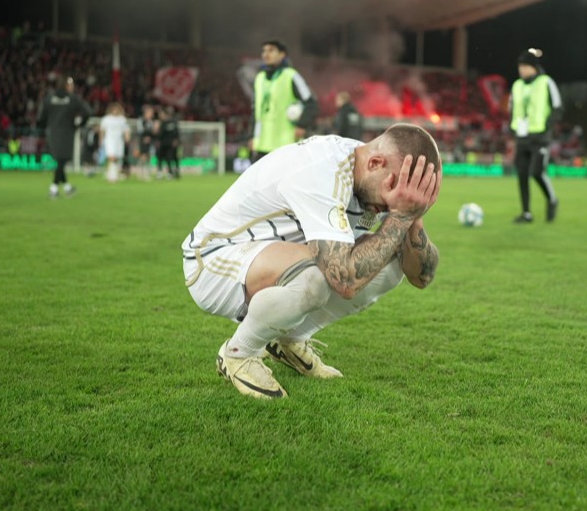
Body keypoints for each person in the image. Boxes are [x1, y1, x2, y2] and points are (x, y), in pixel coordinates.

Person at [183, 124, 442, 400]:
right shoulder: (323, 172)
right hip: (214, 260)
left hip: (278, 255)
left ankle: (289, 340)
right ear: (376, 163)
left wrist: (413, 217)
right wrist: (399, 217)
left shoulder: (376, 174)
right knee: (316, 279)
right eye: (395, 191)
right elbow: (344, 281)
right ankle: (238, 353)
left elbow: (421, 277)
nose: (393, 205)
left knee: (389, 264)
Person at [509, 49, 561, 223]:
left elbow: (558, 107)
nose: (521, 70)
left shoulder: (546, 82)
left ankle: (552, 199)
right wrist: (513, 128)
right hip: (522, 137)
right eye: (520, 66)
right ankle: (526, 213)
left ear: (534, 67)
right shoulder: (516, 85)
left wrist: (547, 127)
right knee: (522, 174)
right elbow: (512, 108)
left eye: (525, 66)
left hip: (540, 137)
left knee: (537, 172)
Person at [248, 40, 319, 162]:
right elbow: (256, 110)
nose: (266, 54)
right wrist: (251, 136)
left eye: (271, 50)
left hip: (285, 144)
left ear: (282, 54)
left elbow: (311, 103)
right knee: (261, 181)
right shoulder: (259, 78)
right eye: (264, 51)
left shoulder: (291, 76)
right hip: (261, 144)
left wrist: (302, 125)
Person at [38, 75, 93, 199]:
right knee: (62, 161)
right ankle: (53, 189)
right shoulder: (72, 99)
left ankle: (67, 188)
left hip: (52, 133)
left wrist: (48, 126)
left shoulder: (49, 98)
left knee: (60, 161)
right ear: (67, 86)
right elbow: (88, 113)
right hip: (67, 132)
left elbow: (41, 118)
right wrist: (78, 125)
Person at [99, 102, 130, 183]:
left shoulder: (122, 119)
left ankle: (113, 174)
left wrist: (127, 137)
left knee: (116, 158)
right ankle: (112, 175)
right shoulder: (106, 119)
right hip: (109, 140)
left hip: (119, 140)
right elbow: (102, 130)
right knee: (111, 157)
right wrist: (101, 139)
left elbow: (126, 129)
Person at [157, 107, 180, 179]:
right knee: (161, 158)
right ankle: (162, 172)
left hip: (169, 144)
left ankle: (171, 172)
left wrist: (176, 140)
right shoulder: (163, 123)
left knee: (170, 158)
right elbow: (160, 134)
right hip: (164, 143)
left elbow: (177, 133)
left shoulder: (173, 122)